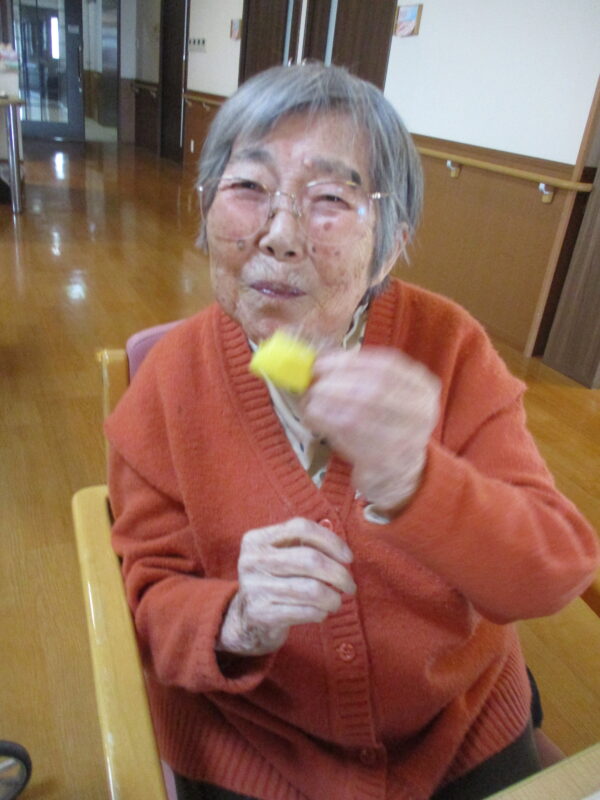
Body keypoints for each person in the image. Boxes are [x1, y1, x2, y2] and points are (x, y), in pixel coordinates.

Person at [105, 63, 599, 800]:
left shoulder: (449, 349)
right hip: (257, 743)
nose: (279, 235)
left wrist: (416, 482)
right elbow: (150, 601)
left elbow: (551, 570)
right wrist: (239, 617)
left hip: (455, 729)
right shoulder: (168, 384)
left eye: (331, 199)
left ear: (390, 246)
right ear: (207, 210)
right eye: (248, 186)